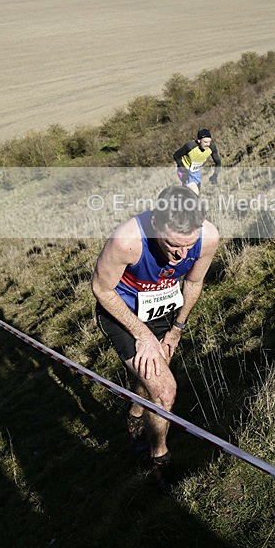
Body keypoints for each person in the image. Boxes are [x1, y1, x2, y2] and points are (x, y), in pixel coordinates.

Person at [91, 186, 219, 491]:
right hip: (122, 314)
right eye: (172, 245)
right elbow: (101, 289)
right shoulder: (126, 241)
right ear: (154, 225)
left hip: (163, 310)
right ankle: (160, 457)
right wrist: (142, 334)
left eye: (188, 246)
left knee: (151, 372)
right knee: (163, 391)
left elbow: (194, 282)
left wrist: (177, 328)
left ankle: (135, 414)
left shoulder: (208, 237)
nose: (181, 256)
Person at [173, 128, 221, 195]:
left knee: (195, 193)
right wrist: (184, 170)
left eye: (209, 142)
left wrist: (215, 175)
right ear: (199, 141)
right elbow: (176, 155)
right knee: (194, 191)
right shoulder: (190, 146)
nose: (208, 144)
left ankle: (179, 198)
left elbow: (218, 162)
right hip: (183, 170)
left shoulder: (212, 147)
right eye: (205, 142)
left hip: (195, 172)